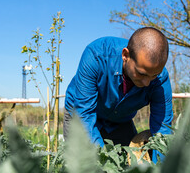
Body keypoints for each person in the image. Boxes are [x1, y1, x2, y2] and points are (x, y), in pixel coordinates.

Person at [63, 27, 173, 163]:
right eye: (141, 74)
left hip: (121, 120)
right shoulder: (96, 56)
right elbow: (85, 116)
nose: (146, 82)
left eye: (153, 75)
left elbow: (162, 131)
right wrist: (104, 161)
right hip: (82, 112)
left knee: (130, 162)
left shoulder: (160, 80)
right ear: (125, 56)